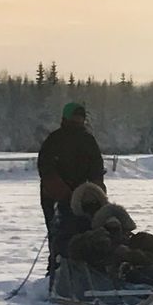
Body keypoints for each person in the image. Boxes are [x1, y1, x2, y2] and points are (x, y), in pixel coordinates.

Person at [38, 102, 106, 275]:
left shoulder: (88, 140)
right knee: (60, 233)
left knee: (88, 230)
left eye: (80, 118)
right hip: (56, 197)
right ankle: (56, 269)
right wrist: (64, 195)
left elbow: (97, 169)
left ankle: (86, 269)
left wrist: (96, 194)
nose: (78, 121)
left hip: (84, 198)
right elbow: (47, 170)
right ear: (66, 118)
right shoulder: (54, 140)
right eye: (74, 117)